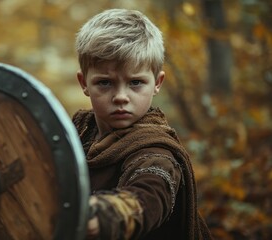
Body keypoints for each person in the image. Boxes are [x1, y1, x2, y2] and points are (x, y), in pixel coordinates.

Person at [72, 9, 212, 239]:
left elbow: (149, 196)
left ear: (157, 82)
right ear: (84, 82)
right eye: (105, 83)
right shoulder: (79, 130)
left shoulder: (156, 153)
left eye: (135, 82)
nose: (120, 97)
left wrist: (103, 216)